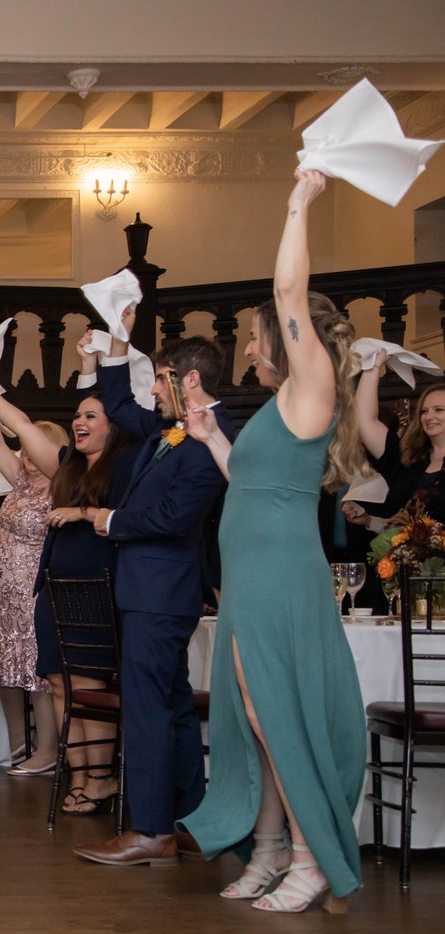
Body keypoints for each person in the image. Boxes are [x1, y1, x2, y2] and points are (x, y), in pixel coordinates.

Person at [178, 170, 365, 914]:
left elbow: (289, 295)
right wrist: (213, 437)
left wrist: (298, 200)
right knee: (248, 716)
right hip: (251, 572)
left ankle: (313, 858)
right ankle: (267, 849)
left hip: (282, 573)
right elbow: (253, 485)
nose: (255, 345)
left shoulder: (312, 378)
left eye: (257, 335)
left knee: (272, 711)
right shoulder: (277, 409)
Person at [72, 320, 235, 867]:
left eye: (161, 381)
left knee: (145, 709)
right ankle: (190, 820)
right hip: (151, 589)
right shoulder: (174, 432)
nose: (153, 391)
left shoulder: (214, 439)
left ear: (188, 380)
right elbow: (119, 405)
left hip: (162, 593)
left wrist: (111, 520)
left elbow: (173, 515)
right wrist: (110, 350)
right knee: (172, 706)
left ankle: (149, 829)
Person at [0, 370, 136, 813]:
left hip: (95, 591)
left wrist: (85, 512)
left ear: (114, 424)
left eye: (91, 415)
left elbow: (129, 516)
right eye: (77, 415)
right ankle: (80, 775)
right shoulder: (65, 464)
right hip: (54, 590)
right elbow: (23, 428)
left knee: (89, 688)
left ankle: (101, 777)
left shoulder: (123, 466)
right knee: (61, 686)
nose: (80, 421)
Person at [0, 388, 66, 775]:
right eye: (23, 451)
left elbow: (15, 427)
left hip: (35, 592)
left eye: (32, 449)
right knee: (5, 668)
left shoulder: (62, 485)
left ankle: (47, 751)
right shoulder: (20, 483)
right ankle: (17, 748)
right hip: (3, 595)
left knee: (36, 671)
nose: (26, 457)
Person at [354, 372, 445, 521]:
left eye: (439, 409)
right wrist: (374, 365)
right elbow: (363, 420)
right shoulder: (406, 457)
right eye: (424, 411)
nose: (428, 417)